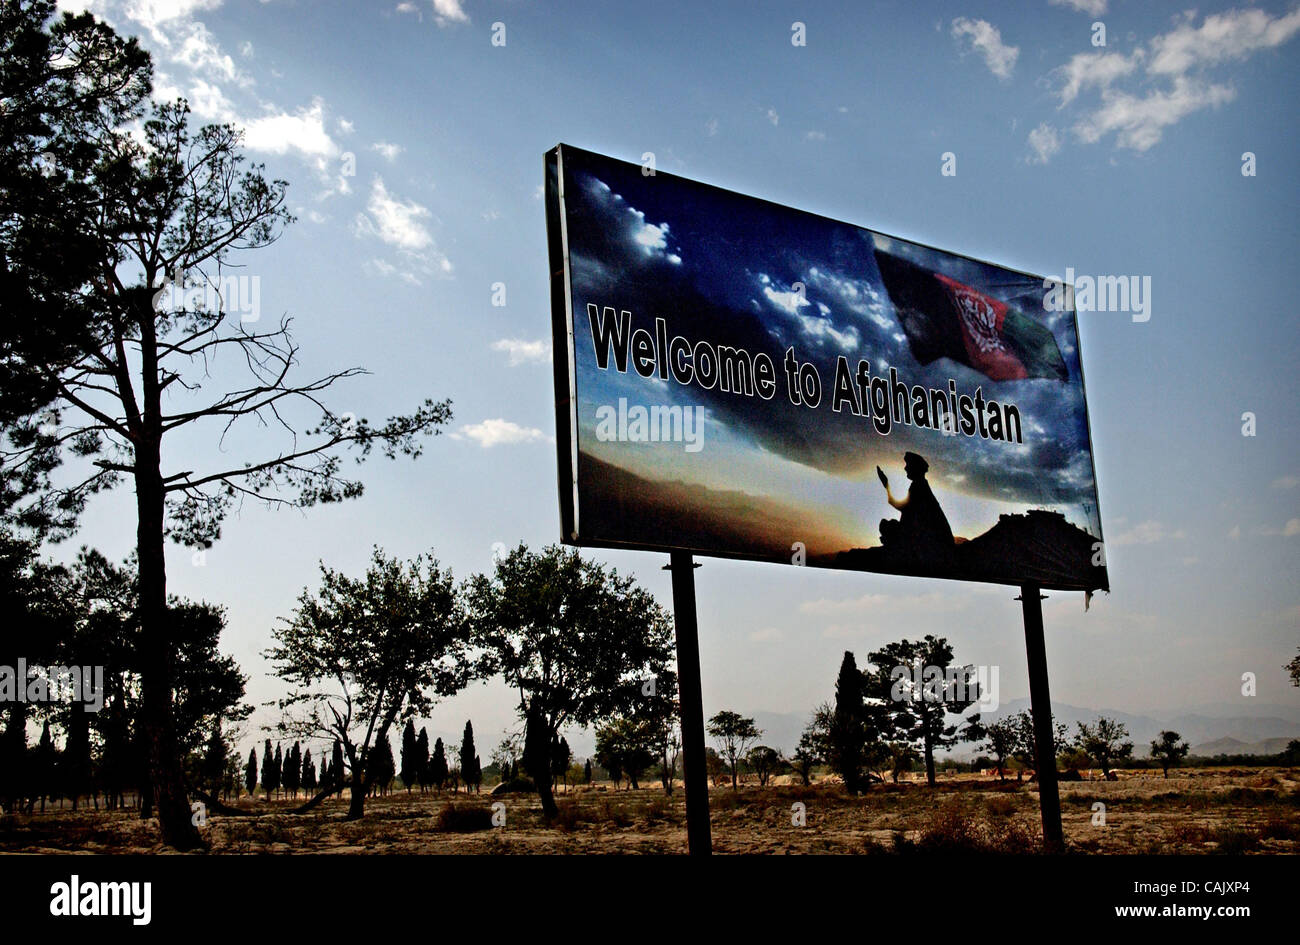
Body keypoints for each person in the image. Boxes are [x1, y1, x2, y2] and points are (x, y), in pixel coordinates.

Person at [877, 452, 954, 559]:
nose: (905, 468)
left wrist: (887, 486)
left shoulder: (919, 487)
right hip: (930, 540)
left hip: (933, 544)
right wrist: (887, 486)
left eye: (908, 465)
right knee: (888, 526)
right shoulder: (919, 485)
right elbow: (905, 510)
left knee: (888, 527)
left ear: (915, 467)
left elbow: (904, 510)